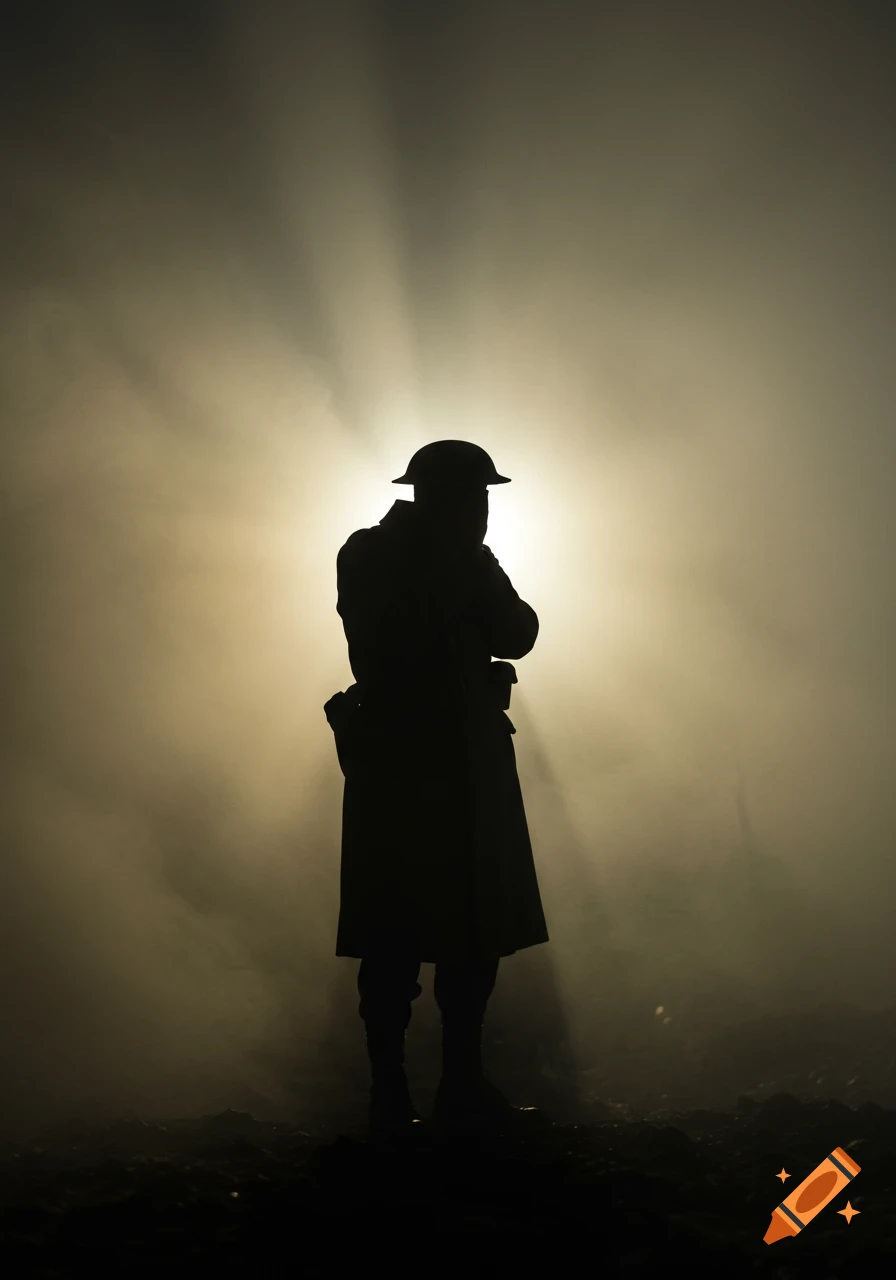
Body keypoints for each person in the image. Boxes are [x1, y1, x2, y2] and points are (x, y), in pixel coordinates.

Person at [325, 440, 549, 1140]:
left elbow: (517, 635)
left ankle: (428, 1089)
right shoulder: (412, 558)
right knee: (428, 933)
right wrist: (467, 577)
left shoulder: (399, 557)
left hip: (427, 764)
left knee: (438, 933)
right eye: (475, 497)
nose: (482, 511)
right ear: (447, 499)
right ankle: (420, 1092)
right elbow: (511, 631)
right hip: (427, 764)